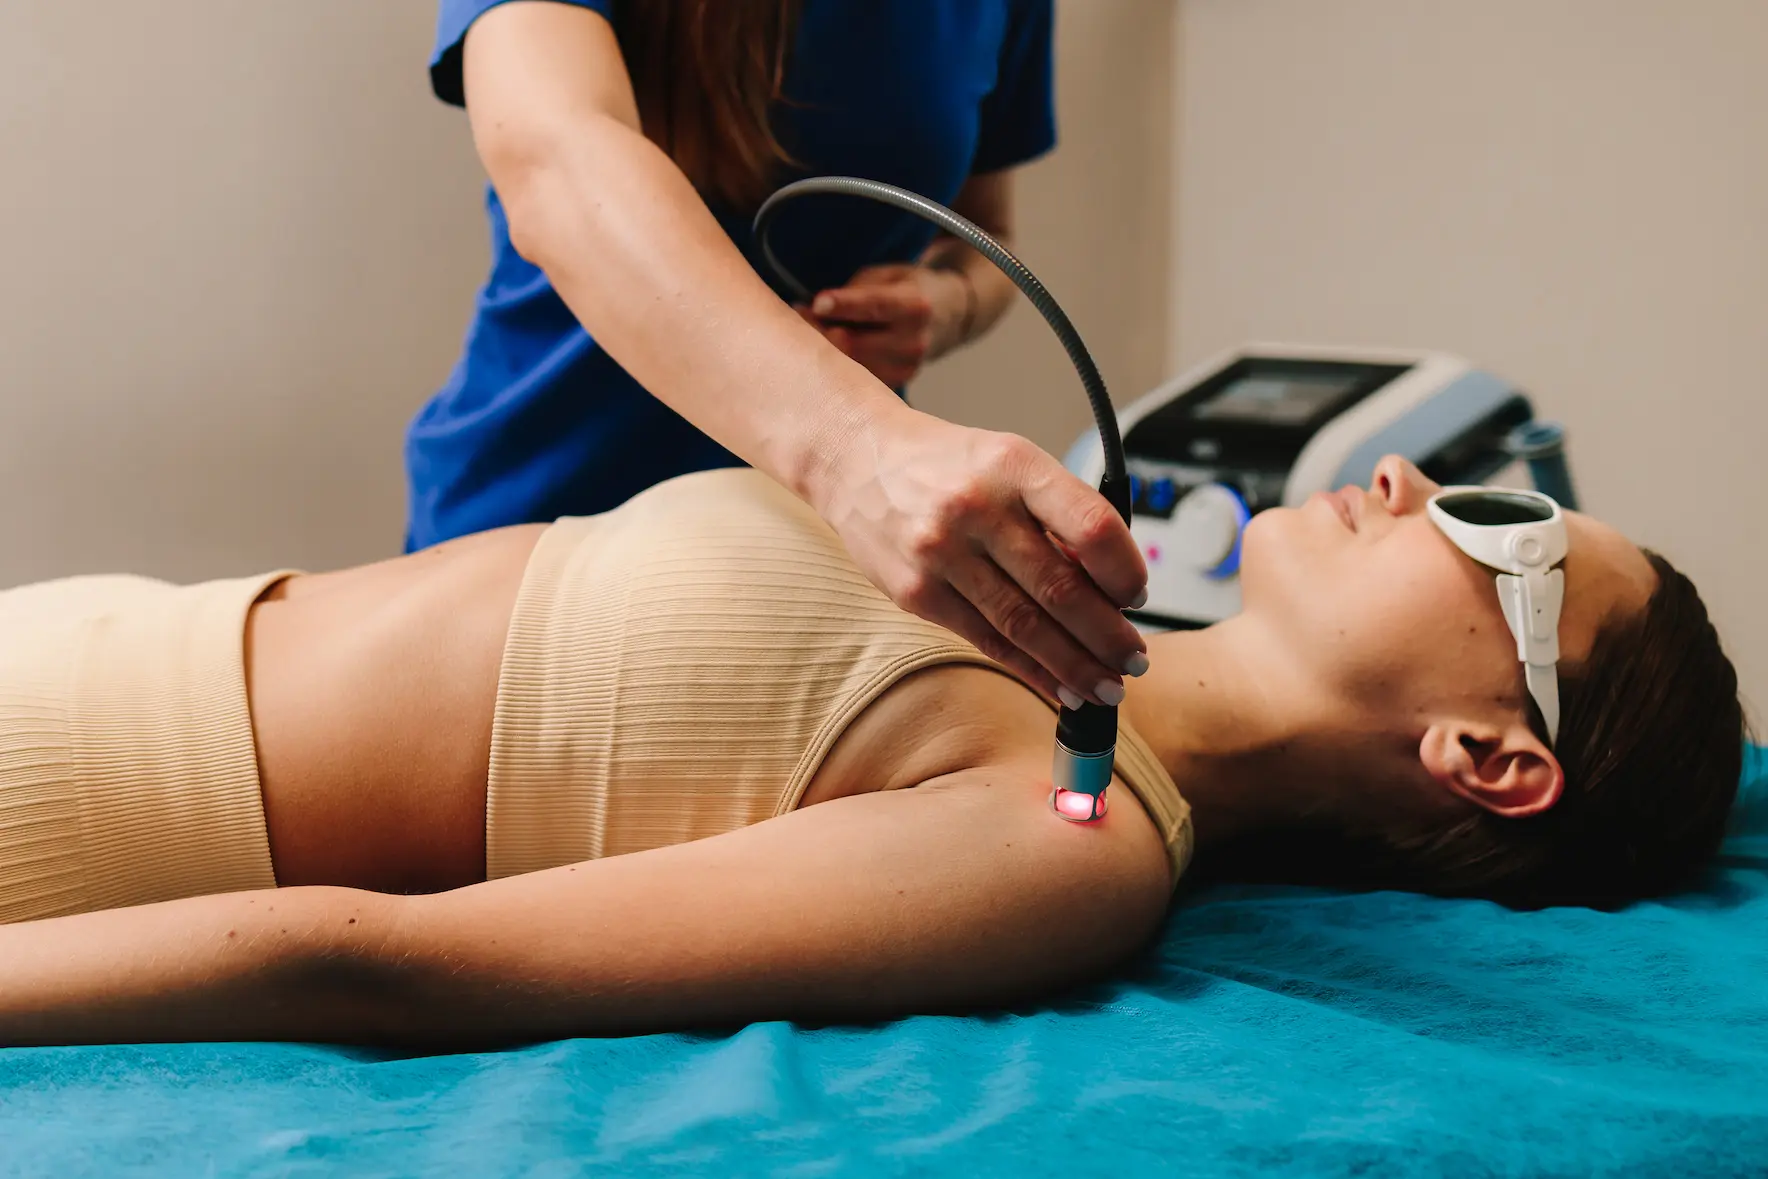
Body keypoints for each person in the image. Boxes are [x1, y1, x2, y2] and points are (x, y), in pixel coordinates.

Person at [0, 458, 1745, 1047]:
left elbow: (376, 957)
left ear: (1488, 757)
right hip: (77, 629)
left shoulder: (1067, 838)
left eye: (1496, 529)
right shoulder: (1009, 559)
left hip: (65, 821)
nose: (1407, 483)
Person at [407, 0, 1152, 713]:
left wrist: (945, 303)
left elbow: (986, 237)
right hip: (538, 533)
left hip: (804, 582)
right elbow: (554, 157)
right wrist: (856, 450)